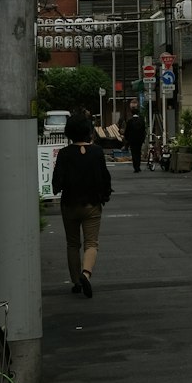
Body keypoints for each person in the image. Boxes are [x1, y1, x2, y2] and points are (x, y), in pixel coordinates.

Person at [52, 111, 112, 298]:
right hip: (92, 205)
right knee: (91, 243)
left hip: (69, 205)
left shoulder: (64, 154)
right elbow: (105, 178)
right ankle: (86, 273)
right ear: (88, 131)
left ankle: (76, 281)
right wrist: (105, 195)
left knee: (72, 244)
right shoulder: (96, 152)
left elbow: (56, 183)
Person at [123, 107, 146, 172]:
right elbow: (144, 130)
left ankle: (135, 167)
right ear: (138, 113)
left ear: (131, 113)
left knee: (134, 153)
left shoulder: (130, 121)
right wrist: (143, 138)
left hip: (132, 140)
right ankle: (138, 166)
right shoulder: (141, 121)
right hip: (140, 140)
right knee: (138, 152)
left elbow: (127, 131)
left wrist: (127, 139)